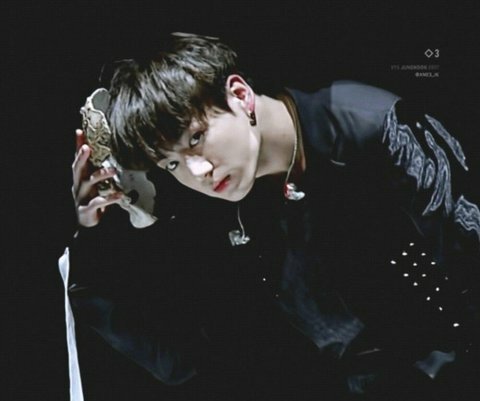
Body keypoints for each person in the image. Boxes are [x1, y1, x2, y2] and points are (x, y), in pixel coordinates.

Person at [61, 32, 480, 400]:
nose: (197, 171)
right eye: (171, 163)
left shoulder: (371, 126)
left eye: (196, 137)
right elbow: (181, 361)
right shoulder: (224, 204)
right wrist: (95, 236)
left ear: (240, 95)